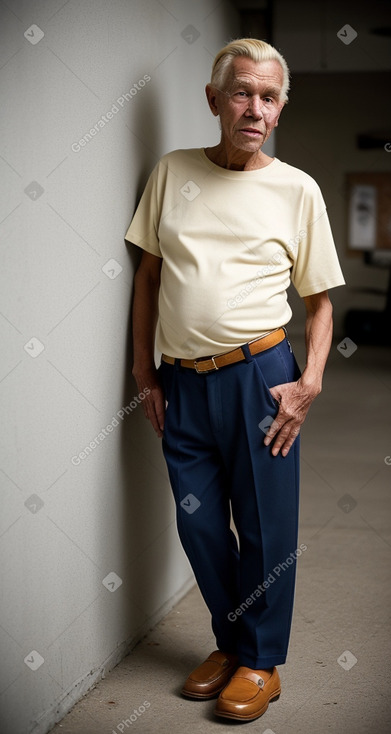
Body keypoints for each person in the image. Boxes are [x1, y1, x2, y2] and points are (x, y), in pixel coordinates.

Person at [125, 38, 345, 722]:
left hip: (260, 378)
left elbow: (319, 303)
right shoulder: (171, 172)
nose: (255, 107)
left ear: (280, 110)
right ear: (214, 99)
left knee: (264, 529)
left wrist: (307, 381)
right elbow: (149, 275)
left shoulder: (296, 189)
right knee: (201, 529)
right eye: (243, 92)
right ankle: (229, 641)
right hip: (181, 382)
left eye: (269, 97)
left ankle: (260, 661)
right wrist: (143, 370)